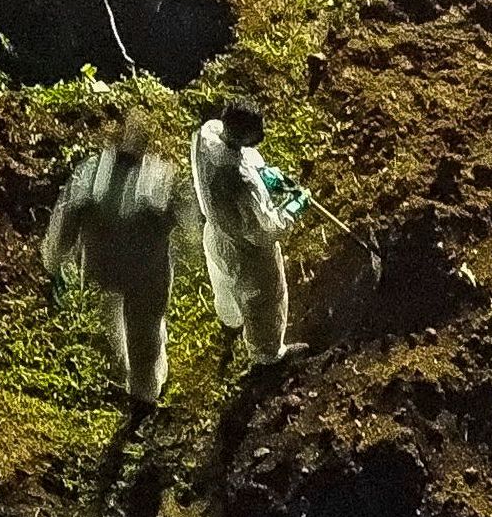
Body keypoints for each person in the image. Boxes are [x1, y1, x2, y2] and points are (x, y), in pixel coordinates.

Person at [41, 112, 190, 412]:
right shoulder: (153, 178)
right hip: (137, 271)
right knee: (139, 329)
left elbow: (65, 221)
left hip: (116, 268)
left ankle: (142, 386)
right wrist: (55, 259)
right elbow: (185, 222)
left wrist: (55, 259)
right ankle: (143, 390)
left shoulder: (93, 173)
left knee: (135, 328)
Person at [190, 104, 302, 365]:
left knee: (224, 284)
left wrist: (265, 174)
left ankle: (230, 322)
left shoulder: (208, 134)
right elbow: (265, 231)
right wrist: (295, 206)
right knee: (264, 299)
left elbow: (243, 157)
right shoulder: (241, 181)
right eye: (255, 132)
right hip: (247, 253)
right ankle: (268, 354)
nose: (261, 136)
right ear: (242, 134)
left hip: (217, 236)